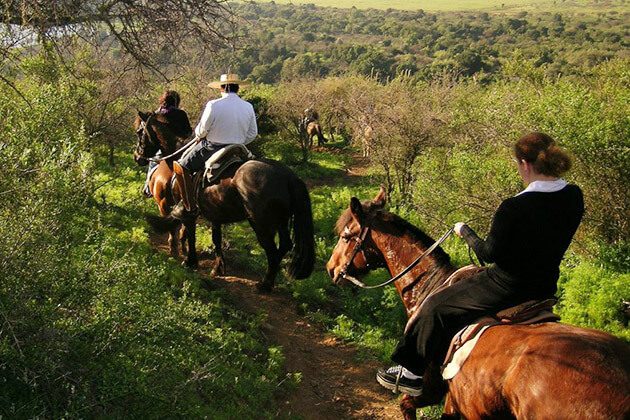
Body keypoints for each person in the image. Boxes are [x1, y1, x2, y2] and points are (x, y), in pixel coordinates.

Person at [376, 132, 584, 397]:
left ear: (524, 164)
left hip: (506, 285)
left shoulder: (514, 207)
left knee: (434, 307)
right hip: (544, 285)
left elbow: (488, 253)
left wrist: (466, 232)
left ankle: (410, 373)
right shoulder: (574, 196)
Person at [171, 73, 258, 219]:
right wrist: (238, 140)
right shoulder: (248, 106)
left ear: (221, 88)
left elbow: (202, 130)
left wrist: (200, 135)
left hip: (213, 147)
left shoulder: (213, 104)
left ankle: (190, 207)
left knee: (181, 166)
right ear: (238, 88)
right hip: (239, 149)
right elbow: (253, 133)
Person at [143, 90, 192, 197]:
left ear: (162, 101)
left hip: (163, 151)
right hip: (181, 149)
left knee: (152, 163)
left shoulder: (155, 115)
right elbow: (188, 132)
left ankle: (147, 186)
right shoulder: (181, 114)